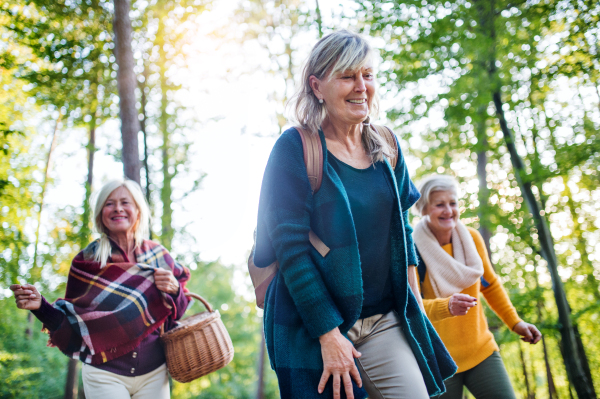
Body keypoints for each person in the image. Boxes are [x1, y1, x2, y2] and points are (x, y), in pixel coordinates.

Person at [253, 30, 456, 399]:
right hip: (310, 325)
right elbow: (291, 250)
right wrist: (329, 335)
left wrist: (415, 308)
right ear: (317, 86)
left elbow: (403, 231)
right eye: (347, 76)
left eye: (368, 75)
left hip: (383, 321)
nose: (361, 86)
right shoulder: (295, 148)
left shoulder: (387, 146)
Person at [10, 179, 190, 399]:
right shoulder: (87, 261)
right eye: (109, 203)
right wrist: (40, 307)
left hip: (155, 373)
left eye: (125, 202)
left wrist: (175, 291)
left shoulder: (159, 256)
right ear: (100, 214)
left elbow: (178, 313)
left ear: (138, 211)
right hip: (105, 374)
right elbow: (72, 324)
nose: (118, 209)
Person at [412, 174, 542, 399]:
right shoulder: (411, 248)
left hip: (481, 350)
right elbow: (412, 305)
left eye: (453, 203)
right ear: (423, 209)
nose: (449, 211)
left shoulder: (471, 238)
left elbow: (489, 285)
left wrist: (515, 323)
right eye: (439, 205)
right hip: (438, 360)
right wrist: (447, 306)